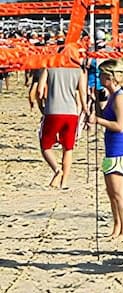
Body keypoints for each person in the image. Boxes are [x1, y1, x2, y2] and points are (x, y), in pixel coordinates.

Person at [90, 61, 123, 243]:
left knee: (119, 194)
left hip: (120, 151)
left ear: (110, 77)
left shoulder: (121, 98)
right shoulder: (112, 96)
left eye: (101, 75)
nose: (99, 79)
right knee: (111, 193)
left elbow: (120, 126)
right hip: (111, 150)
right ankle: (117, 226)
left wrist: (98, 121)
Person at [38, 49, 88, 189]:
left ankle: (56, 169)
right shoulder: (79, 70)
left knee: (46, 145)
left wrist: (41, 106)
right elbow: (83, 94)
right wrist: (85, 109)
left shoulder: (50, 67)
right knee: (68, 148)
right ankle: (64, 182)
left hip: (53, 110)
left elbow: (40, 91)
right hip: (71, 112)